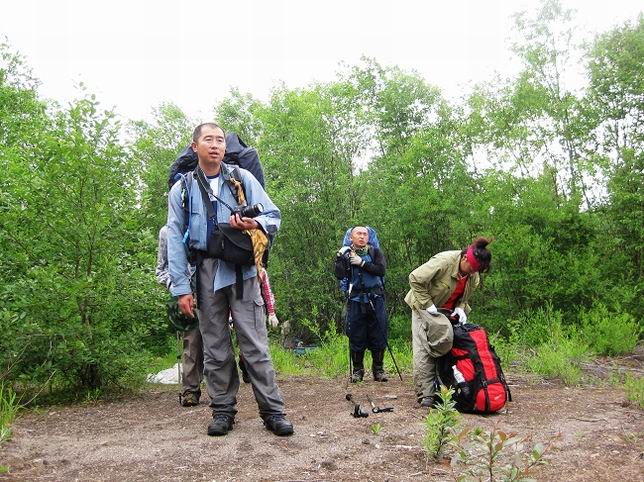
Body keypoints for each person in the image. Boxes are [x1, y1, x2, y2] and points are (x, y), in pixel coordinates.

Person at [166, 122, 293, 437]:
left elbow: (273, 215)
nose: (215, 145)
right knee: (215, 348)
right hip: (205, 274)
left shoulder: (243, 178)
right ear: (194, 146)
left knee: (255, 345)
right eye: (208, 139)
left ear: (225, 148)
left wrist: (255, 222)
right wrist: (181, 288)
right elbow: (174, 240)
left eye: (220, 140)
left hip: (242, 271)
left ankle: (273, 412)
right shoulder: (182, 189)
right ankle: (222, 411)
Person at [404, 237, 493, 407]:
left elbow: (464, 296)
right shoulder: (444, 262)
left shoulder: (473, 275)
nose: (474, 272)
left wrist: (460, 307)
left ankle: (448, 390)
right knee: (425, 349)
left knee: (450, 344)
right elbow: (415, 277)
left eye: (478, 270)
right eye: (473, 268)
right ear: (465, 258)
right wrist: (428, 304)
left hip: (449, 310)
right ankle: (426, 395)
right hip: (424, 306)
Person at [156, 224, 204, 406]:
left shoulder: (204, 224)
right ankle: (190, 390)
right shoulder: (166, 232)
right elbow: (160, 270)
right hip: (185, 295)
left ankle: (219, 391)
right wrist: (176, 287)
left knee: (215, 342)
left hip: (210, 292)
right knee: (190, 343)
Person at [335, 226, 389, 383]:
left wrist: (362, 263)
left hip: (376, 298)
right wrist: (340, 257)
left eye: (365, 234)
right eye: (358, 234)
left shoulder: (375, 252)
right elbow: (339, 274)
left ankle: (378, 370)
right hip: (356, 300)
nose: (362, 237)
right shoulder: (346, 254)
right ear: (351, 237)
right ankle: (358, 371)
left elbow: (381, 270)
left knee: (379, 333)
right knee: (356, 335)